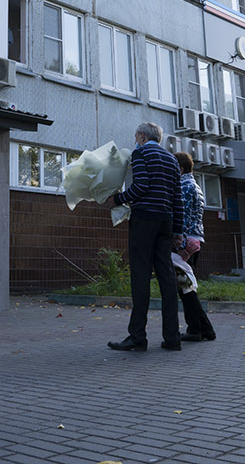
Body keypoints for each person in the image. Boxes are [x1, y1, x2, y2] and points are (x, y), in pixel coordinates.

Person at [108, 122, 184, 351]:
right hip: (165, 221)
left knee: (140, 276)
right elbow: (177, 198)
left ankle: (137, 336)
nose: (135, 139)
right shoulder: (172, 160)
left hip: (144, 220)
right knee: (166, 277)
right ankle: (172, 337)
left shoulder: (140, 153)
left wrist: (118, 199)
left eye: (135, 135)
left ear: (142, 136)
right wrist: (177, 230)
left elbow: (140, 186)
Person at [174, 150, 217, 343]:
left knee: (185, 288)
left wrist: (178, 242)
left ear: (180, 168)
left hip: (185, 242)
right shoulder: (195, 185)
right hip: (196, 239)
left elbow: (180, 216)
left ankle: (196, 329)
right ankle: (205, 328)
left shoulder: (183, 186)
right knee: (188, 287)